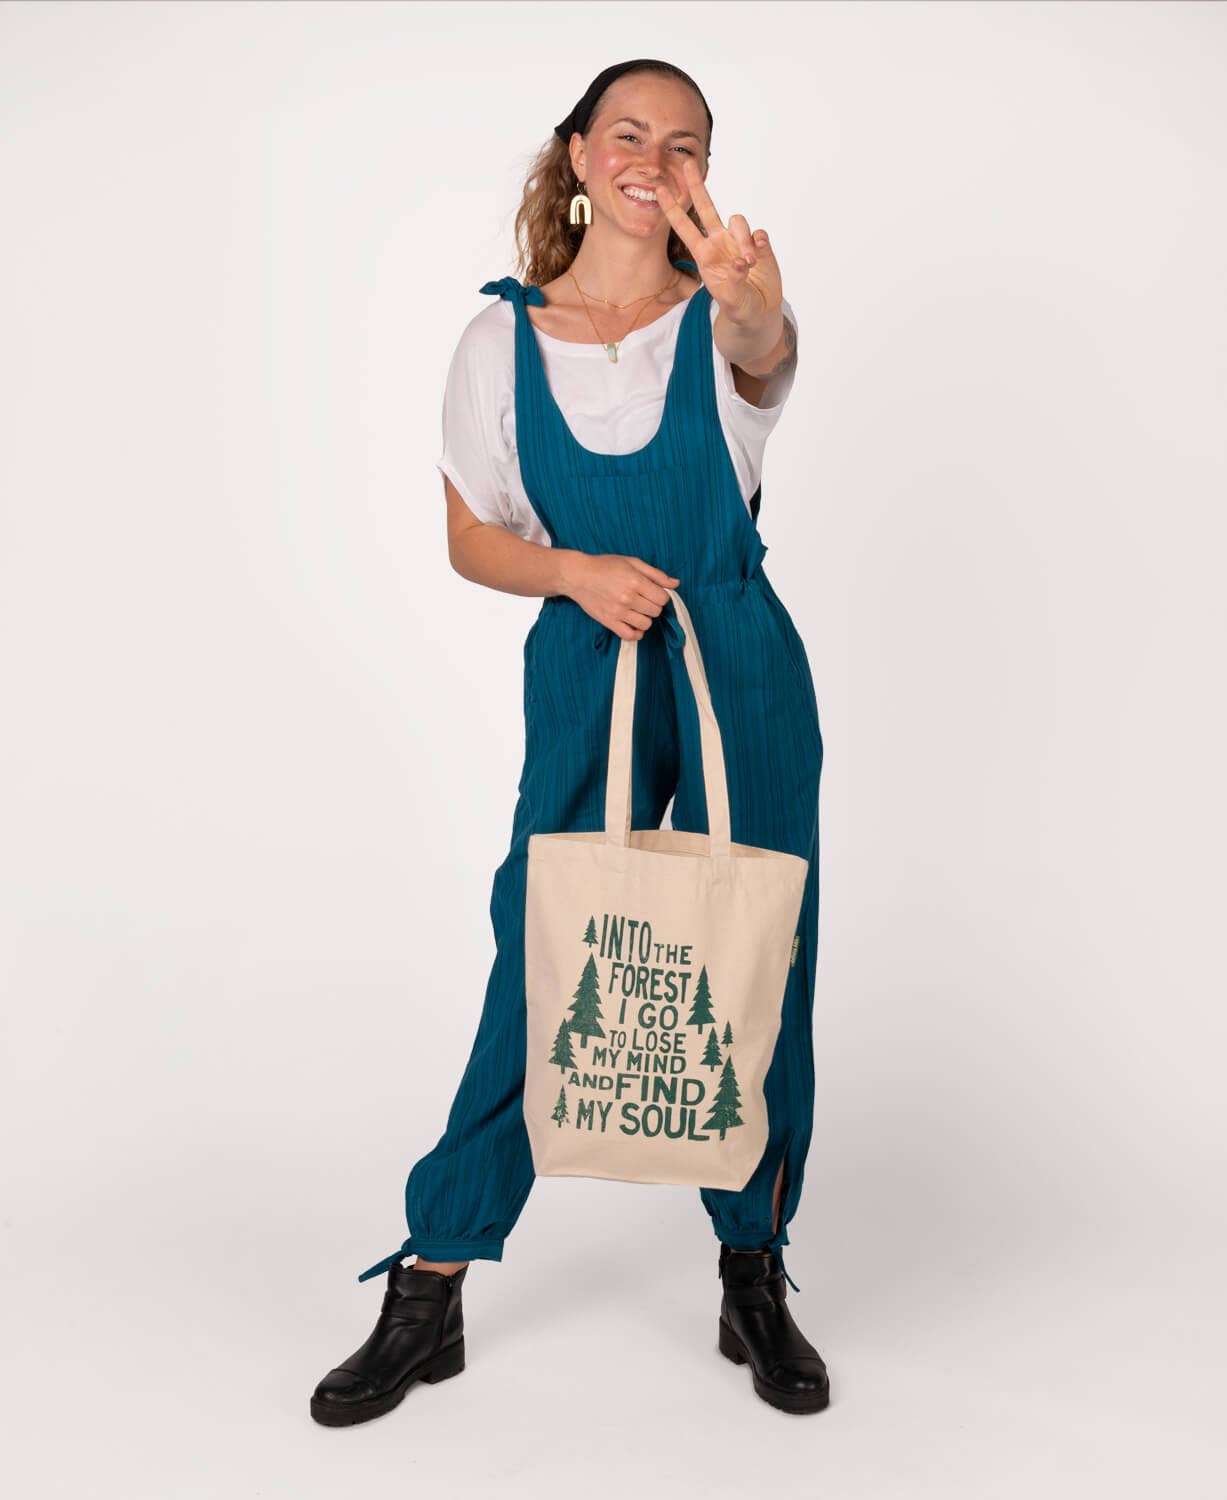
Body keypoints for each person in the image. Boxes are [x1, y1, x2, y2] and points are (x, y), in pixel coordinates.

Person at [311, 58, 829, 1426]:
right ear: (582, 153)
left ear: (707, 169)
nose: (655, 157)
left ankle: (753, 1265)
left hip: (737, 658)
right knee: (543, 955)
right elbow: (471, 536)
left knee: (759, 950)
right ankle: (433, 1279)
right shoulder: (498, 343)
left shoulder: (722, 314)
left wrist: (753, 300)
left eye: (686, 142)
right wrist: (574, 575)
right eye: (629, 132)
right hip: (588, 658)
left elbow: (765, 348)